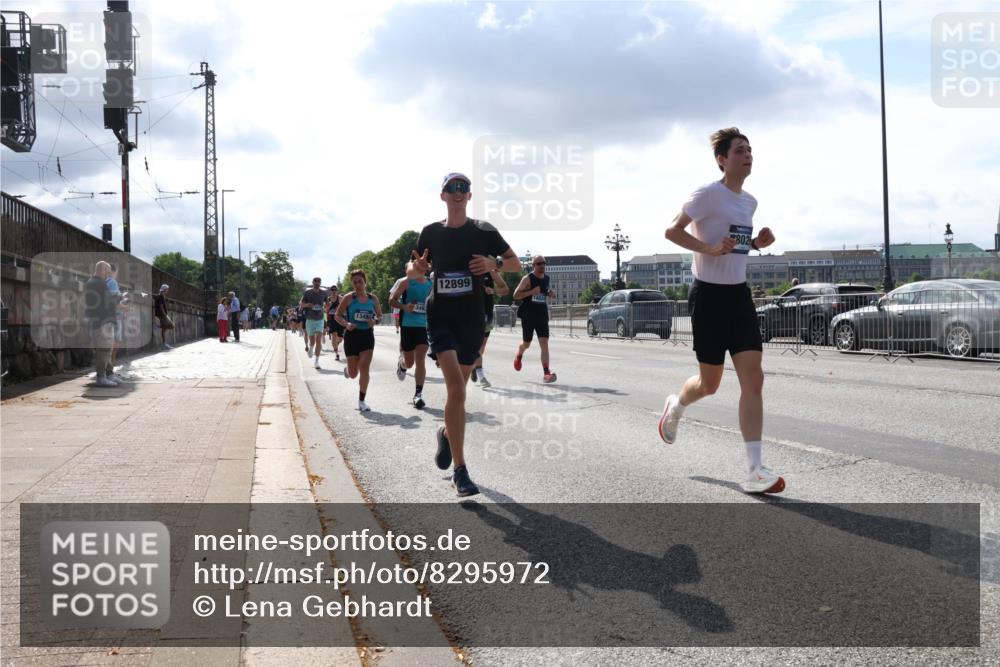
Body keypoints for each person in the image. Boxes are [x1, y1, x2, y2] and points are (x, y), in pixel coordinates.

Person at [660, 127, 782, 494]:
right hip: (709, 297)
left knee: (754, 379)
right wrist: (708, 249)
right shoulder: (707, 195)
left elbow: (737, 246)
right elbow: (671, 231)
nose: (748, 155)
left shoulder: (750, 202)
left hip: (739, 296)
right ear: (722, 159)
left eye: (750, 150)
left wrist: (757, 244)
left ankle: (754, 469)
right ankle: (677, 406)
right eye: (740, 150)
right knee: (709, 384)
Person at [412, 172, 520, 497]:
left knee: (457, 394)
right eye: (452, 188)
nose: (458, 193)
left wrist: (493, 262)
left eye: (464, 188)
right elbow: (414, 266)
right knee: (457, 390)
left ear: (469, 196)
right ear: (442, 195)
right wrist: (416, 270)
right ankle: (461, 470)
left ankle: (447, 432)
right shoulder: (431, 232)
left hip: (472, 321)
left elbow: (515, 263)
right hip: (441, 317)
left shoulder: (483, 230)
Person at [335, 269, 382, 412]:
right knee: (354, 374)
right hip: (352, 336)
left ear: (365, 282)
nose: (357, 284)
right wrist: (346, 324)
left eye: (360, 281)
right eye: (355, 282)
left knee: (364, 367)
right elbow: (337, 315)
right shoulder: (349, 298)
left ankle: (362, 401)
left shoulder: (373, 299)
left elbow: (379, 316)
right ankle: (349, 370)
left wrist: (374, 321)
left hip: (367, 335)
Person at [390, 261, 432, 409]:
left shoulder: (431, 284)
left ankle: (418, 395)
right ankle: (402, 364)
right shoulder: (405, 282)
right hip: (408, 325)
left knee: (420, 358)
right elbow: (392, 300)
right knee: (410, 363)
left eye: (425, 265)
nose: (422, 268)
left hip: (423, 326)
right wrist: (404, 307)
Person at [512, 255, 557, 383]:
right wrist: (531, 292)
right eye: (539, 263)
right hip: (528, 315)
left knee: (544, 343)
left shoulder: (546, 278)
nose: (542, 265)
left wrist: (549, 293)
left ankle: (546, 373)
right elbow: (515, 295)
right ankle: (519, 354)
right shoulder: (527, 279)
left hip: (542, 314)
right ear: (534, 266)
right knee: (527, 343)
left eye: (544, 263)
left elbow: (544, 290)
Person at [84, 261, 120, 387]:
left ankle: (109, 374)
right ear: (103, 270)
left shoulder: (94, 282)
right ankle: (101, 377)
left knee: (107, 350)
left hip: (102, 321)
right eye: (107, 272)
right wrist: (117, 298)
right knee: (103, 350)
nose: (108, 275)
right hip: (102, 322)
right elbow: (106, 302)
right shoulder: (98, 283)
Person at [471, 269, 508, 388]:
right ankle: (481, 376)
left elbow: (505, 290)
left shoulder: (490, 272)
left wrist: (493, 290)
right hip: (472, 314)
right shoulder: (468, 270)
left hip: (487, 314)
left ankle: (474, 365)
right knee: (477, 346)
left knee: (481, 348)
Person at [300, 277, 329, 368]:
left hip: (320, 319)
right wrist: (308, 305)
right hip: (310, 319)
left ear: (320, 283)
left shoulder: (324, 293)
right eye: (315, 281)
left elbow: (327, 304)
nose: (317, 283)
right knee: (312, 340)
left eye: (318, 281)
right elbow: (301, 304)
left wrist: (325, 307)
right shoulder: (307, 293)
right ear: (312, 282)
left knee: (318, 340)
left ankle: (316, 362)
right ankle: (311, 347)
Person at [326, 286, 345, 361]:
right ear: (330, 291)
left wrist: (340, 308)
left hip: (339, 319)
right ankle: (337, 354)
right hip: (331, 320)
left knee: (340, 339)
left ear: (337, 291)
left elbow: (345, 308)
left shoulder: (340, 298)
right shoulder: (328, 299)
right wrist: (328, 306)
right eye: (332, 290)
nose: (334, 291)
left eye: (335, 290)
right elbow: (324, 309)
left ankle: (336, 345)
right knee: (333, 336)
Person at [153, 284, 173, 350]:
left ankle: (164, 344)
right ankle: (165, 344)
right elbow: (161, 307)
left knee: (165, 329)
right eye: (167, 289)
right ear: (165, 289)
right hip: (161, 315)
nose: (168, 290)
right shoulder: (161, 296)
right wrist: (165, 315)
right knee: (171, 326)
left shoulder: (160, 295)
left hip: (160, 314)